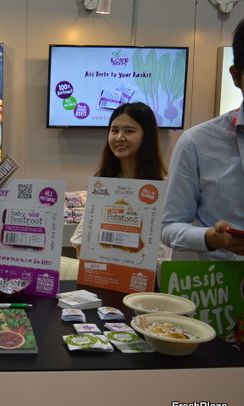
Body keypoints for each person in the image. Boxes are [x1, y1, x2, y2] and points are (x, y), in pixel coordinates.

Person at [161, 20, 244, 261]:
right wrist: (211, 238)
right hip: (224, 279)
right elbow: (170, 227)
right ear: (236, 76)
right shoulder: (196, 142)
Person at [71, 102, 167, 257]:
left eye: (129, 131)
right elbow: (81, 240)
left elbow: (162, 251)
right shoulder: (103, 185)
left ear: (147, 136)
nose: (119, 138)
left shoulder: (163, 189)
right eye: (114, 130)